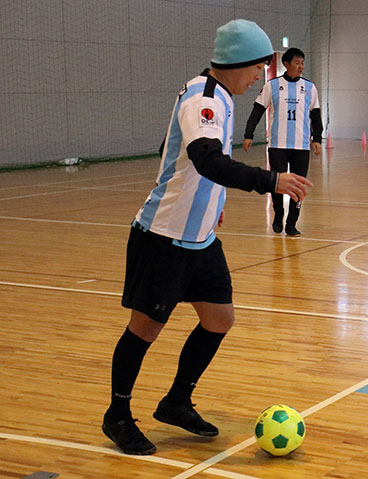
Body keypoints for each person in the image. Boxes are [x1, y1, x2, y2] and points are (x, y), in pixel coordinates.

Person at [101, 19, 313, 456]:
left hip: (199, 239)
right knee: (145, 329)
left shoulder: (220, 98)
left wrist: (213, 201)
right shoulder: (204, 99)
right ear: (238, 62)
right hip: (163, 238)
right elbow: (207, 160)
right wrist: (270, 180)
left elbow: (183, 156)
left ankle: (176, 402)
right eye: (259, 69)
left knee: (219, 318)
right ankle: (117, 416)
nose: (260, 78)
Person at [243, 47, 322, 236]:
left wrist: (317, 138)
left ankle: (292, 223)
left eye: (302, 63)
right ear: (286, 64)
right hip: (278, 145)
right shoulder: (272, 85)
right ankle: (278, 215)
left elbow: (316, 115)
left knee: (298, 185)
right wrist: (248, 134)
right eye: (297, 63)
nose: (301, 66)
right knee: (276, 183)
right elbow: (257, 110)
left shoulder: (309, 87)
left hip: (301, 146)